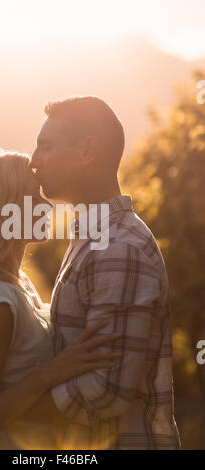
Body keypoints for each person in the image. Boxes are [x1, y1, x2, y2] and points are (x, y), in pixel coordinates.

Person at [0, 149, 121, 450]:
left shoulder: (17, 285)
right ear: (3, 208)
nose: (47, 205)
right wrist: (52, 372)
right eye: (35, 195)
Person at [30, 96, 182, 450]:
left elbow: (105, 391)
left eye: (45, 147)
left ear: (87, 151)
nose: (34, 162)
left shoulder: (118, 248)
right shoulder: (95, 238)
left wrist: (2, 409)